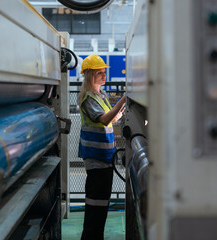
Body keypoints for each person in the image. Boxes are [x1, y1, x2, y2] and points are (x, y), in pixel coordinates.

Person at [78, 54, 126, 240]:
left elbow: (111, 119)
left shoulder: (101, 96)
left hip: (105, 159)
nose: (104, 76)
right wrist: (123, 100)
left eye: (104, 72)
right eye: (100, 73)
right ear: (90, 75)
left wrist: (121, 111)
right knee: (95, 208)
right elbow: (105, 119)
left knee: (101, 207)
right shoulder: (88, 98)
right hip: (96, 161)